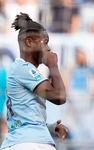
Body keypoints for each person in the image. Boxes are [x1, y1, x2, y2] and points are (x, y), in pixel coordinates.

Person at [0, 12, 68, 150]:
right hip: (29, 144)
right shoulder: (23, 69)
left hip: (20, 142)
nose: (48, 48)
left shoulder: (20, 70)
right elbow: (59, 97)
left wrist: (49, 127)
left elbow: (23, 120)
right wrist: (53, 65)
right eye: (44, 42)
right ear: (29, 42)